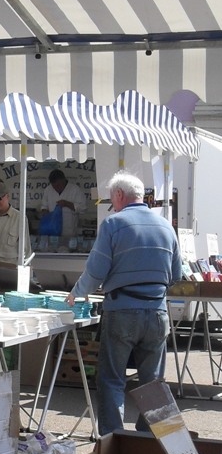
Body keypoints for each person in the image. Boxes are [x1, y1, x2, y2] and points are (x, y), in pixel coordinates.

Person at [65, 170, 182, 435]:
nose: (112, 204)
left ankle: (114, 441)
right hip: (157, 313)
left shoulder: (113, 224)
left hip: (122, 311)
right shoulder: (166, 226)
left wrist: (76, 293)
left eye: (111, 199)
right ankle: (149, 440)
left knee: (111, 380)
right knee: (152, 383)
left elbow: (96, 271)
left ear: (119, 195)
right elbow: (176, 275)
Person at [40, 169, 87, 238]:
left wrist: (67, 204)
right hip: (51, 233)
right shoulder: (48, 190)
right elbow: (44, 206)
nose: (56, 188)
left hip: (69, 234)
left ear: (64, 180)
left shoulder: (75, 190)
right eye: (54, 186)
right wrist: (47, 214)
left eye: (58, 185)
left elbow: (83, 209)